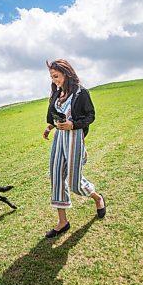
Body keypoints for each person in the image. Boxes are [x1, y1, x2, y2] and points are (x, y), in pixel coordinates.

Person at [42, 59, 106, 238]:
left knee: (75, 184)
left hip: (75, 138)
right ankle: (62, 222)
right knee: (56, 177)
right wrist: (49, 127)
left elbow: (90, 116)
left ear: (66, 74)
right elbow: (53, 113)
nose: (54, 80)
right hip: (59, 139)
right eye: (52, 77)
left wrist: (73, 125)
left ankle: (98, 198)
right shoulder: (57, 92)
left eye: (56, 76)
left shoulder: (81, 93)